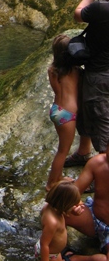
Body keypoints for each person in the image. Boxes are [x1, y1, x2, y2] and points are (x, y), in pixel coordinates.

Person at [67, 0, 109, 161]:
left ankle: (103, 170)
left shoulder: (101, 9)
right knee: (87, 111)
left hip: (99, 74)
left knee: (100, 118)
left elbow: (78, 14)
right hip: (99, 71)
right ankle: (84, 152)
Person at [31, 180, 82, 261]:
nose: (77, 205)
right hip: (48, 254)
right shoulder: (52, 221)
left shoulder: (53, 207)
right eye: (73, 204)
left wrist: (72, 212)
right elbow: (44, 243)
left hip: (55, 252)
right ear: (64, 204)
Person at [63, 149, 109, 261]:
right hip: (94, 217)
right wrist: (75, 205)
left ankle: (74, 259)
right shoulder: (97, 163)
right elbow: (74, 193)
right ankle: (56, 251)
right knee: (54, 210)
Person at [46, 35, 83, 190]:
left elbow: (56, 89)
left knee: (62, 148)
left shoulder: (52, 70)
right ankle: (51, 183)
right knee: (63, 151)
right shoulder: (76, 72)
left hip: (56, 110)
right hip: (68, 114)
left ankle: (58, 177)